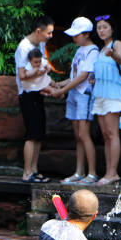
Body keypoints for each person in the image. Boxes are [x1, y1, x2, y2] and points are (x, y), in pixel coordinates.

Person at [53, 17, 100, 185]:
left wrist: (62, 90)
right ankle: (79, 172)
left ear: (86, 34)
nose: (74, 38)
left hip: (84, 94)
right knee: (77, 135)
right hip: (74, 94)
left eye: (77, 34)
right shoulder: (80, 49)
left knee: (84, 134)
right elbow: (73, 76)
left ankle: (92, 173)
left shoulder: (92, 51)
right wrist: (57, 84)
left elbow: (83, 76)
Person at [16, 16, 55, 183]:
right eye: (49, 33)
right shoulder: (23, 48)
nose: (50, 36)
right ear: (39, 31)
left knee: (39, 133)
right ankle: (27, 172)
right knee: (32, 133)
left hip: (37, 91)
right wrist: (38, 73)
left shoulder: (39, 44)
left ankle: (34, 169)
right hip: (27, 93)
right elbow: (22, 75)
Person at [92, 15, 121, 186]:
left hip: (113, 93)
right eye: (99, 27)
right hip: (100, 94)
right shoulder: (100, 49)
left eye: (105, 27)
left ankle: (113, 172)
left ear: (112, 29)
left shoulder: (116, 44)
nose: (101, 30)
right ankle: (109, 171)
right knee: (106, 135)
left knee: (113, 134)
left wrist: (113, 54)